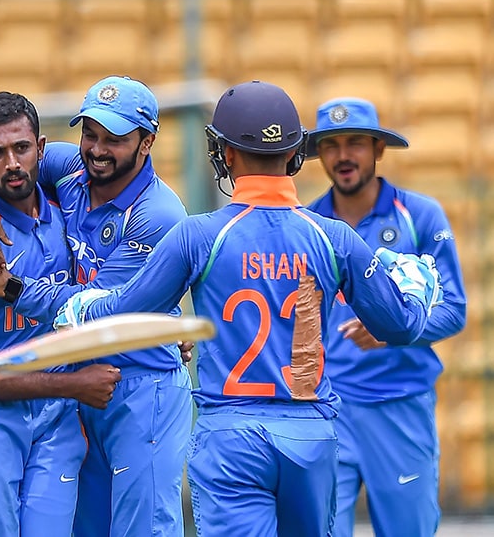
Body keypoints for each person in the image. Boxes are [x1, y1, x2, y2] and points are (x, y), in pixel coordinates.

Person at [53, 80, 443, 537]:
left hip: (230, 438)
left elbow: (122, 315)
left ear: (226, 153)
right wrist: (418, 283)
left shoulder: (198, 235)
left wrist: (74, 309)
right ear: (296, 154)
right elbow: (401, 328)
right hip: (311, 436)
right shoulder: (333, 237)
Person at [0, 76, 192, 536]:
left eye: (114, 139)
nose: (97, 149)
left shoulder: (157, 215)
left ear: (147, 142)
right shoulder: (69, 167)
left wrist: (11, 289)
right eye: (89, 133)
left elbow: (102, 314)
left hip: (140, 386)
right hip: (77, 389)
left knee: (144, 528)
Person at [0, 91, 121, 535]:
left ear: (42, 149)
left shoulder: (67, 211)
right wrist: (73, 384)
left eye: (21, 148)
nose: (12, 163)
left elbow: (110, 295)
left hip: (57, 421)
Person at [305, 97, 467, 537]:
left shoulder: (419, 216)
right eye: (331, 144)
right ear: (318, 154)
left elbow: (453, 310)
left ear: (378, 149)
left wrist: (393, 330)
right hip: (326, 410)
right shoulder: (308, 225)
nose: (342, 155)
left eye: (355, 142)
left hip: (399, 405)